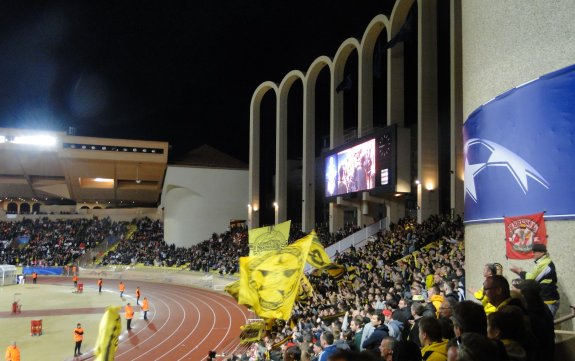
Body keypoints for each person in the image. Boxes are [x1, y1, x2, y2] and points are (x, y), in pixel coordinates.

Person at [510, 243, 560, 317]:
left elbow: (531, 280)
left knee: (545, 325)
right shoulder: (543, 262)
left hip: (548, 300)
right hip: (545, 299)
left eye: (535, 252)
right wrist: (520, 272)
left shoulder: (544, 263)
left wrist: (519, 271)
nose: (533, 254)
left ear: (542, 252)